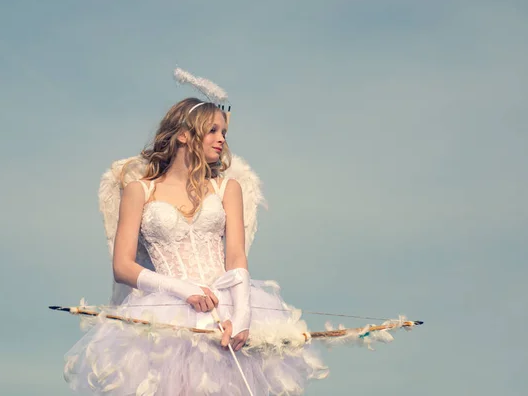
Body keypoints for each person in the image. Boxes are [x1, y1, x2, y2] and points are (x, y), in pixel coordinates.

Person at [62, 96, 329, 395]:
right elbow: (122, 266)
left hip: (226, 306)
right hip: (167, 316)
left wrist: (242, 315)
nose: (221, 140)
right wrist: (182, 290)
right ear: (184, 134)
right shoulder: (139, 191)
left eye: (224, 133)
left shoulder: (228, 188)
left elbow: (237, 255)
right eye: (213, 130)